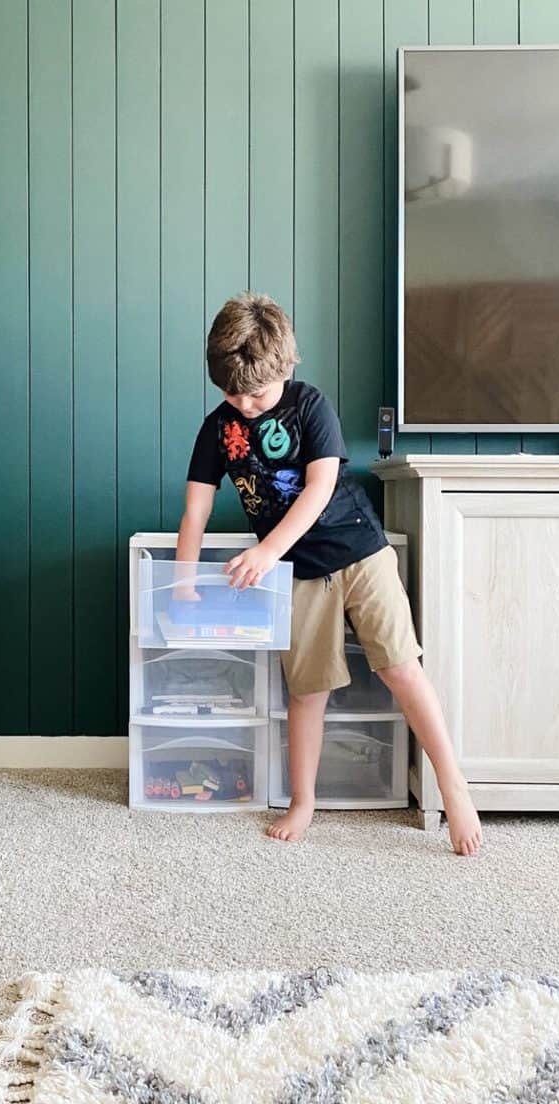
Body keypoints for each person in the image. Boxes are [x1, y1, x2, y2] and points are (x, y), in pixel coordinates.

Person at [176, 291, 482, 856]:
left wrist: (267, 551)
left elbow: (318, 490)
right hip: (298, 575)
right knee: (307, 690)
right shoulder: (218, 429)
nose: (244, 404)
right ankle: (303, 801)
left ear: (285, 368)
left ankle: (453, 784)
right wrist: (186, 580)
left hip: (360, 553)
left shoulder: (308, 404)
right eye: (231, 393)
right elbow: (195, 507)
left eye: (256, 393)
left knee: (401, 668)